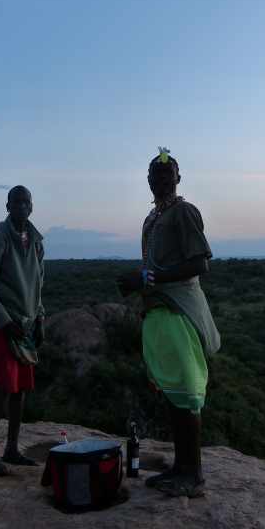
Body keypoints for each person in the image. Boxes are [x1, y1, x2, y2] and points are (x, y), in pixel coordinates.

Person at [116, 148, 220, 499]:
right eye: (155, 174)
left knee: (186, 394)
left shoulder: (183, 211)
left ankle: (194, 476)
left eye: (167, 173)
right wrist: (142, 283)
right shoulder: (154, 216)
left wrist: (147, 278)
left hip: (179, 310)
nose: (161, 178)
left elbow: (199, 264)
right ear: (147, 181)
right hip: (159, 309)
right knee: (173, 393)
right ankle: (180, 467)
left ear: (178, 178)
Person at [0, 185, 45, 476]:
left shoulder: (36, 241)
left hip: (24, 325)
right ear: (8, 206)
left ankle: (12, 448)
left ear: (32, 206)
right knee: (5, 383)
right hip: (2, 322)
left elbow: (39, 284)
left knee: (21, 386)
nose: (22, 206)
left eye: (27, 202)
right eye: (17, 202)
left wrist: (40, 319)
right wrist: (4, 322)